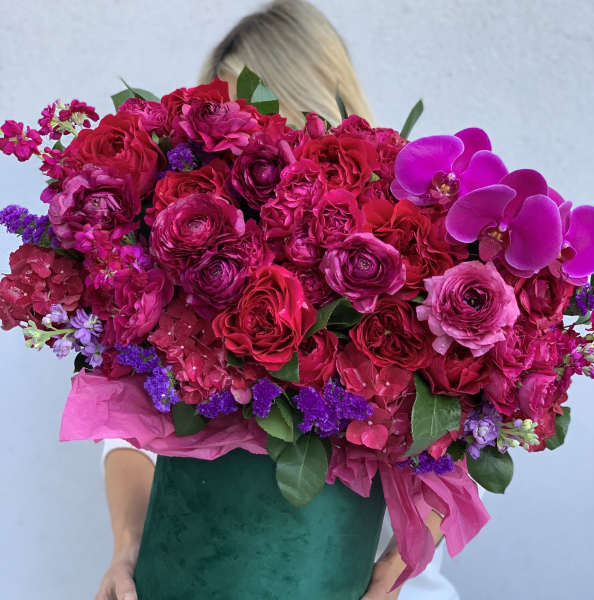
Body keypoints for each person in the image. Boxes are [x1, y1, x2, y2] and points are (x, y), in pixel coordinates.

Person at [95, 2, 461, 599]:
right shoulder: (196, 250)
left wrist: (402, 562)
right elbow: (127, 427)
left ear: (310, 97)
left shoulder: (412, 237)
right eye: (227, 118)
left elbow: (461, 432)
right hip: (205, 577)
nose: (246, 137)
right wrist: (128, 548)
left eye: (260, 107)